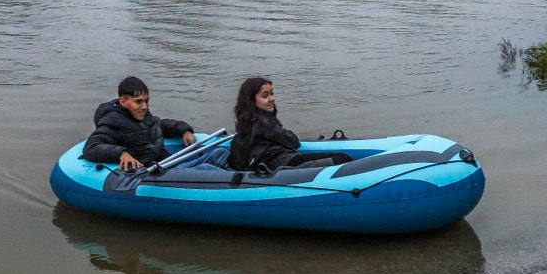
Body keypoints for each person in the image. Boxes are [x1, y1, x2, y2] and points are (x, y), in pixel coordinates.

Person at [83, 76, 227, 170]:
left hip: (164, 164)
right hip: (150, 173)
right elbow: (91, 147)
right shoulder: (112, 123)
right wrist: (121, 153)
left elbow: (161, 124)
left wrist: (184, 130)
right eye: (138, 102)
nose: (144, 106)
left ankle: (246, 179)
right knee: (207, 170)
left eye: (146, 101)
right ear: (123, 101)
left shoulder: (144, 116)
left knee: (220, 153)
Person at [228, 77, 352, 171]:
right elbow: (293, 142)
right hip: (283, 164)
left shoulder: (246, 123)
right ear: (252, 100)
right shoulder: (263, 123)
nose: (272, 99)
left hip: (277, 162)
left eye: (272, 94)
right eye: (265, 96)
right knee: (342, 158)